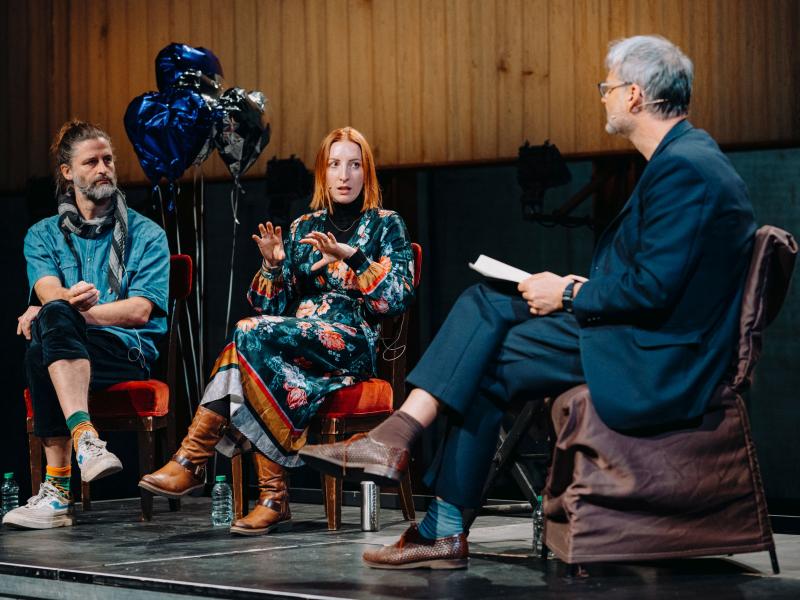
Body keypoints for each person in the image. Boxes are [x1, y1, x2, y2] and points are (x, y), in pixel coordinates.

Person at [299, 35, 757, 569]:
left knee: (484, 356)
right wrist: (573, 284)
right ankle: (404, 452)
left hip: (658, 354)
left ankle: (432, 506)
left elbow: (654, 290)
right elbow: (660, 276)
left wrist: (568, 293)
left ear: (635, 95)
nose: (603, 97)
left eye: (607, 88)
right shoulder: (686, 158)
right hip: (644, 331)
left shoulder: (685, 168)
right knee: (486, 302)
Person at [139, 126, 415, 535]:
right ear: (322, 172)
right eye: (335, 165)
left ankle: (194, 460)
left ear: (367, 172)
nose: (344, 175)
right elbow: (269, 307)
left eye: (354, 165)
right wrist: (272, 265)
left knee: (246, 335)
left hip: (349, 342)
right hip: (297, 345)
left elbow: (394, 299)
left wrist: (352, 257)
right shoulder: (304, 227)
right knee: (248, 357)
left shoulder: (386, 225)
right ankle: (272, 498)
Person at [4, 120, 169, 530]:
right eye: (91, 162)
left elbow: (140, 311)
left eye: (108, 160)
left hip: (124, 351)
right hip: (68, 345)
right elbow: (48, 290)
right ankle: (86, 440)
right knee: (44, 342)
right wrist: (55, 308)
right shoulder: (42, 235)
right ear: (67, 172)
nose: (103, 169)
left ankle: (58, 492)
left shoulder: (148, 234)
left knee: (46, 336)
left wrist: (60, 311)